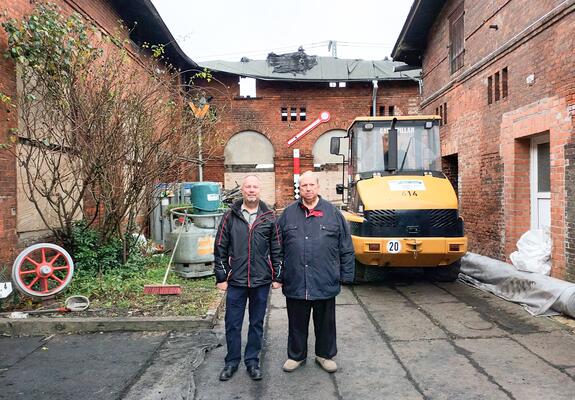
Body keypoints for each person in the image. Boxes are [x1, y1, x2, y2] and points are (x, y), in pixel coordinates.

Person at [276, 171, 354, 373]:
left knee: (326, 323)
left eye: (311, 185)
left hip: (325, 279)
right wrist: (278, 275)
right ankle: (296, 356)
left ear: (318, 187)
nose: (308, 189)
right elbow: (277, 247)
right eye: (304, 186)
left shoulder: (333, 213)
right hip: (296, 280)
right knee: (296, 323)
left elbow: (346, 246)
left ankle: (325, 355)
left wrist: (346, 276)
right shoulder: (288, 214)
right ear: (299, 189)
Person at [213, 175, 282, 381]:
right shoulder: (230, 216)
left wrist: (277, 276)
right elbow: (220, 248)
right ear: (242, 190)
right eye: (248, 187)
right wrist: (221, 277)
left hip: (261, 281)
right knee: (232, 323)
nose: (251, 190)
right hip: (236, 280)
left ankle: (252, 361)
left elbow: (277, 248)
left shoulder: (269, 216)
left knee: (256, 322)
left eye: (255, 187)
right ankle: (232, 361)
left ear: (260, 190)